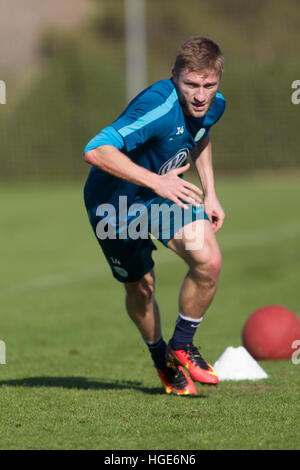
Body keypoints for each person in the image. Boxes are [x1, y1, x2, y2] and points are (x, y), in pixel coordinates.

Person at [83, 36, 226, 395]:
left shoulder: (213, 105)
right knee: (142, 287)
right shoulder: (158, 106)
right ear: (174, 76)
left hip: (163, 197)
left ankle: (182, 343)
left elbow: (201, 136)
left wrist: (210, 193)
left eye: (209, 85)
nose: (200, 95)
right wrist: (155, 181)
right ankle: (161, 356)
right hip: (115, 204)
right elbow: (95, 149)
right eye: (191, 84)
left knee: (208, 260)